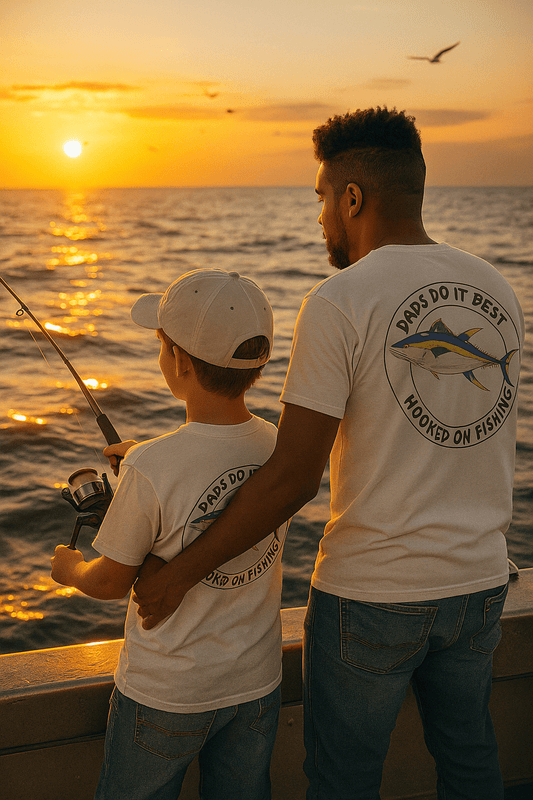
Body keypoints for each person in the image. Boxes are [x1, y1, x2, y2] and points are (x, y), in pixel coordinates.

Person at [126, 108, 523, 800]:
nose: (317, 219)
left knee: (343, 780)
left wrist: (177, 573)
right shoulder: (494, 289)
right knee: (469, 761)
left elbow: (290, 478)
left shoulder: (339, 300)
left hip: (374, 597)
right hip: (480, 584)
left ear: (351, 197)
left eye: (318, 198)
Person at [51, 268, 289, 800]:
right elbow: (211, 476)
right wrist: (138, 458)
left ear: (178, 361)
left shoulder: (155, 467)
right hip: (255, 686)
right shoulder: (277, 448)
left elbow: (111, 582)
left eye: (161, 347)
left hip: (166, 695)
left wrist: (69, 571)